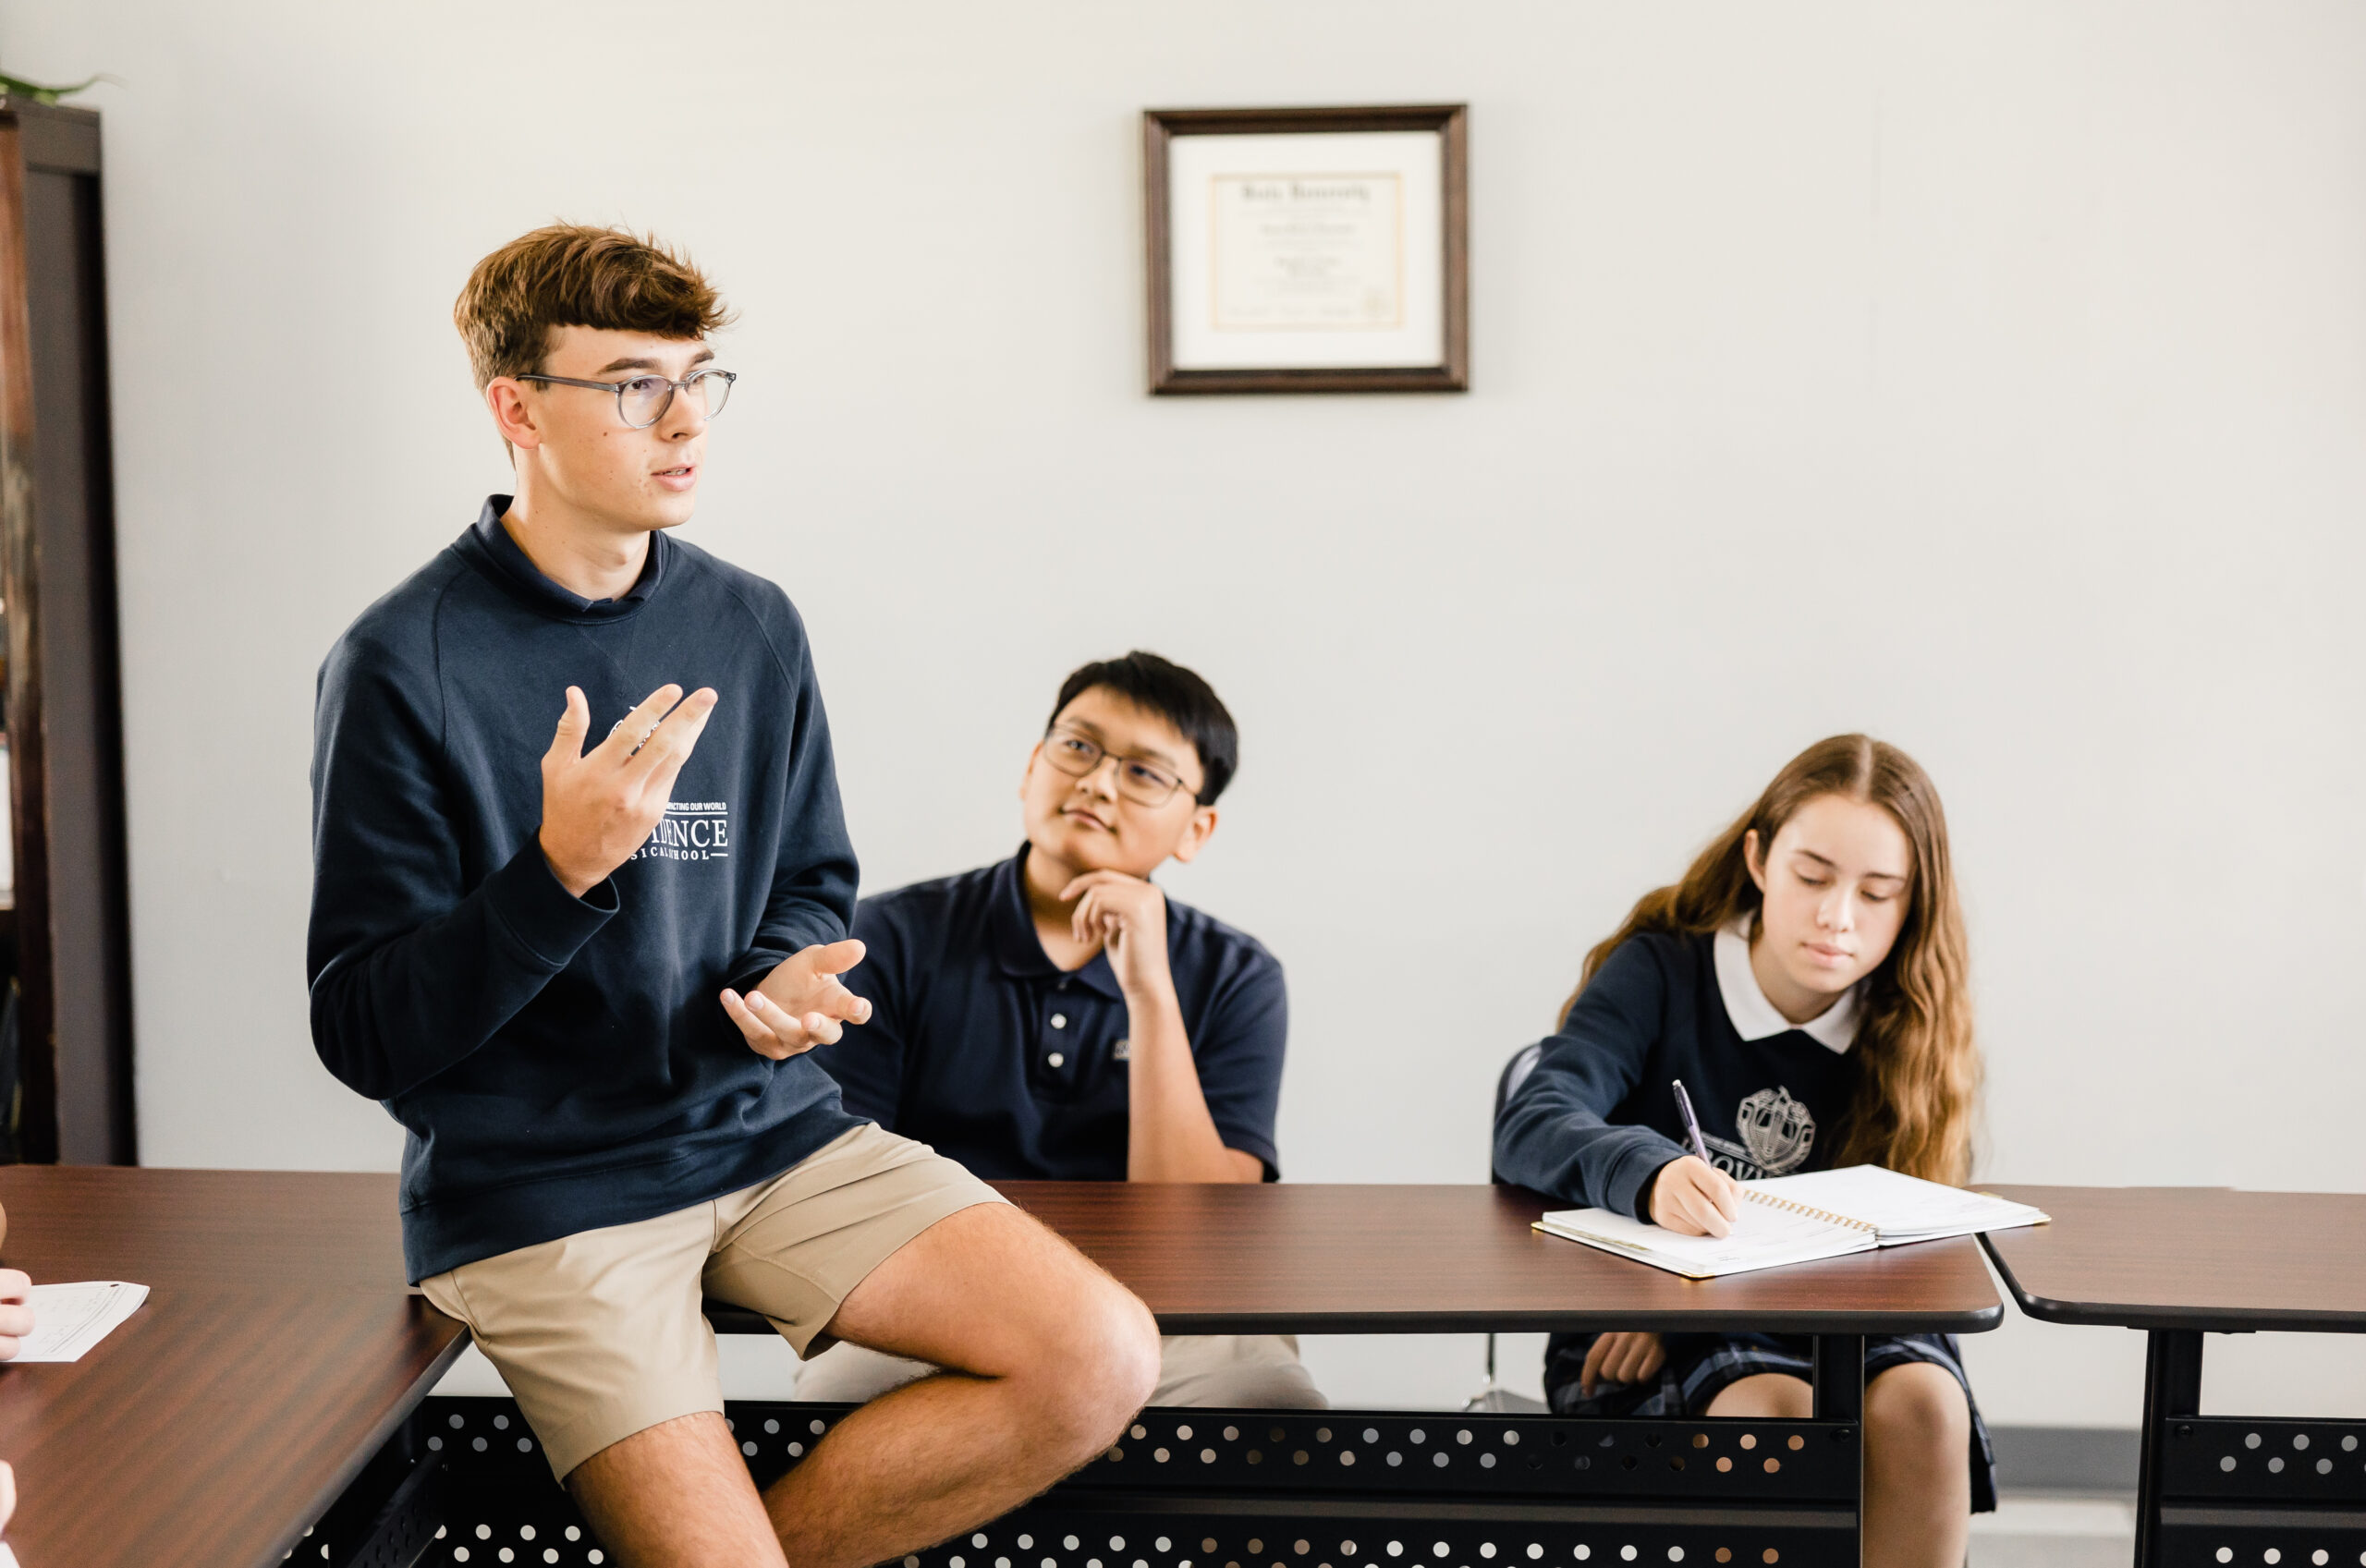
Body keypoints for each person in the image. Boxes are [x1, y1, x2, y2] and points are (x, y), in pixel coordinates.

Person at [308, 225, 1157, 1568]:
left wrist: (782, 970)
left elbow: (816, 883)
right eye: (634, 383)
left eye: (701, 377)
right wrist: (559, 874)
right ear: (515, 409)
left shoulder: (752, 622)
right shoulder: (401, 662)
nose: (686, 418)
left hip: (764, 1136)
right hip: (544, 1187)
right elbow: (362, 1029)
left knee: (1098, 1357)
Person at [1493, 735, 1990, 1568]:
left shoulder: (1914, 1023)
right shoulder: (1660, 971)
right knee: (1772, 1411)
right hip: (1638, 1313)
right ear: (1759, 858)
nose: (1839, 916)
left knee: (1927, 1408)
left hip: (1839, 1315)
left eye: (1878, 893)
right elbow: (1538, 1115)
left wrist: (1720, 1298)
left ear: (1914, 904)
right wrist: (1651, 1192)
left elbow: (1914, 1246)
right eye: (1812, 876)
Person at [805, 651, 1322, 1408]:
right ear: (1031, 765)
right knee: (843, 1393)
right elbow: (844, 1186)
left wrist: (1149, 991)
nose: (1098, 780)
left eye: (1145, 771)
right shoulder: (885, 937)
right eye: (1078, 746)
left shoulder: (1239, 976)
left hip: (1173, 1309)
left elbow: (1202, 1234)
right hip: (942, 1301)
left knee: (1273, 1404)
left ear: (1197, 828)